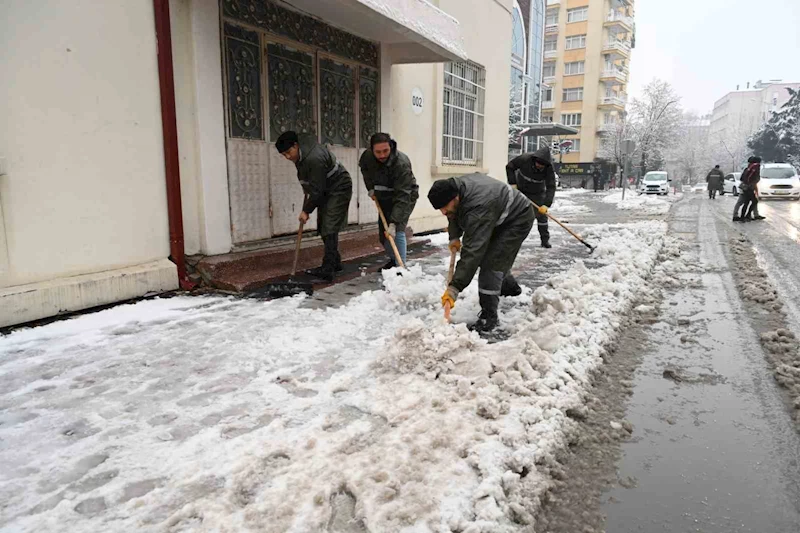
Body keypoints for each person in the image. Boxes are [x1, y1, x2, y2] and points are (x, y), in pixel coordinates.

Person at [429, 174, 534, 333]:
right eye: (440, 209)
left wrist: (455, 287)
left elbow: (472, 251)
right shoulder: (455, 190)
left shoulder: (478, 206)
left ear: (456, 197)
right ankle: (509, 287)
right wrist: (454, 237)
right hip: (497, 214)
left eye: (444, 207)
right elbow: (454, 214)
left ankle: (489, 317)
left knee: (491, 264)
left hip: (517, 219)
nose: (443, 212)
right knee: (494, 258)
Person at [276, 131, 353, 281]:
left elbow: (318, 189)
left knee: (329, 226)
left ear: (296, 145)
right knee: (325, 225)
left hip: (339, 188)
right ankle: (334, 262)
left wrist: (306, 210)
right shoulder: (302, 154)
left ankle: (328, 269)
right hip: (326, 188)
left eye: (288, 152)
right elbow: (313, 184)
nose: (287, 157)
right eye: (283, 155)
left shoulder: (314, 158)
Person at [359, 133, 419, 269]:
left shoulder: (401, 163)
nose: (382, 155)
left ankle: (401, 267)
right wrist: (370, 189)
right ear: (371, 150)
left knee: (396, 231)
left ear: (391, 146)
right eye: (378, 152)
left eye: (385, 151)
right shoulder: (367, 157)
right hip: (383, 196)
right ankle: (393, 260)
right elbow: (365, 171)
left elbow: (403, 195)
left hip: (405, 196)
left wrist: (394, 222)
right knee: (384, 235)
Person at [505, 147, 557, 248]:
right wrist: (512, 183)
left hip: (538, 193)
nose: (539, 166)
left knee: (542, 217)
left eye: (542, 165)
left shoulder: (549, 168)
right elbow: (510, 166)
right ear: (534, 160)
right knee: (516, 215)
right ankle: (512, 240)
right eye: (538, 163)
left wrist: (546, 204)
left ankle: (545, 240)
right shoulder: (524, 159)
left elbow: (551, 186)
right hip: (520, 190)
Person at [733, 156, 761, 222]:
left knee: (747, 202)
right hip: (749, 187)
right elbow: (755, 178)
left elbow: (742, 178)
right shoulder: (755, 167)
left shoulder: (748, 168)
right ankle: (746, 216)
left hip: (745, 187)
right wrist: (751, 184)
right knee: (752, 201)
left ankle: (743, 216)